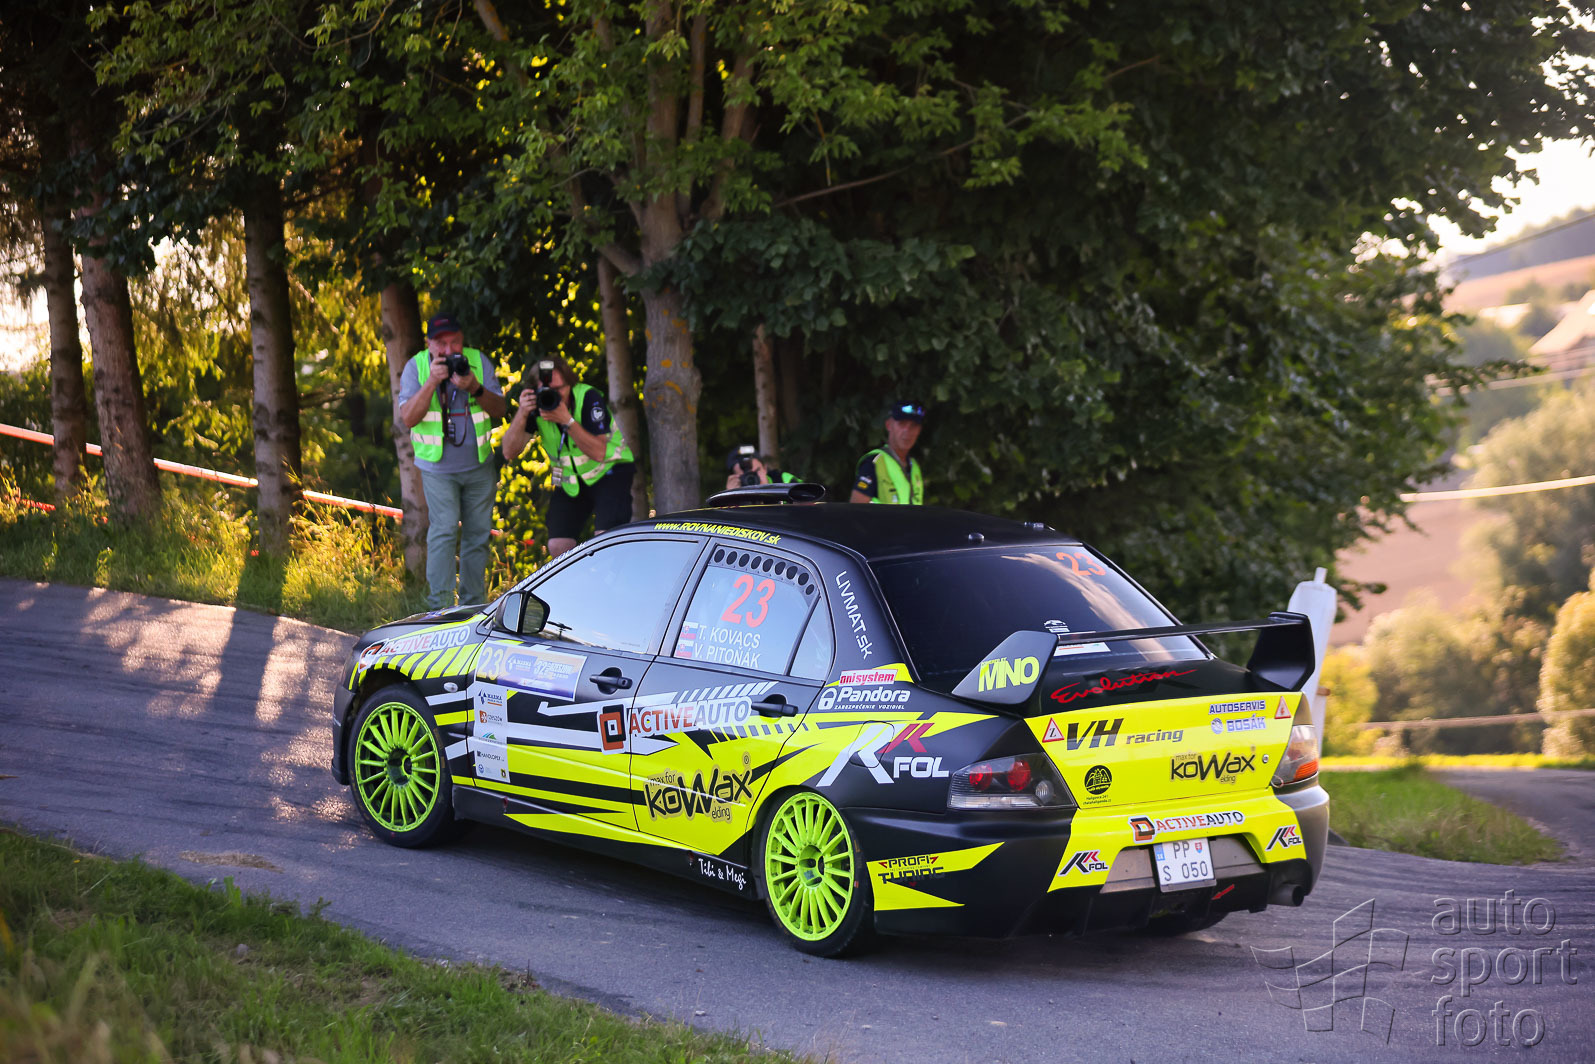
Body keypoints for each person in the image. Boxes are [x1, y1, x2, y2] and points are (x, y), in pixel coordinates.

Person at [396, 313, 508, 608]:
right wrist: (433, 381)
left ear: (462, 339)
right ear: (429, 344)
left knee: (477, 536)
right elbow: (408, 418)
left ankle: (472, 608)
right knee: (444, 531)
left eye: (454, 342)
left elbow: (500, 409)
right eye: (441, 343)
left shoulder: (478, 361)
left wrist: (475, 388)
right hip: (438, 469)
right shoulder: (417, 367)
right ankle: (441, 610)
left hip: (479, 466)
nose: (448, 350)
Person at [501, 353, 635, 558]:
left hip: (609, 472)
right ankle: (579, 578)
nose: (552, 396)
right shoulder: (536, 407)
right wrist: (522, 413)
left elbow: (599, 453)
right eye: (546, 391)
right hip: (570, 480)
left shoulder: (588, 397)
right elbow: (508, 452)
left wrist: (568, 421)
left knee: (606, 540)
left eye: (558, 390)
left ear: (570, 384)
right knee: (558, 545)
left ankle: (614, 575)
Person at [850, 400, 925, 505]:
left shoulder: (914, 466)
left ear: (919, 430)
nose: (907, 430)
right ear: (889, 425)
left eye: (913, 425)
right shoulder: (875, 462)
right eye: (902, 423)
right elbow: (856, 508)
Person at [723, 444, 800, 492]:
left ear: (765, 468)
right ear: (734, 479)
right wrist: (729, 496)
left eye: (757, 471)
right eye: (746, 476)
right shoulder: (732, 496)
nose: (752, 479)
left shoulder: (784, 481)